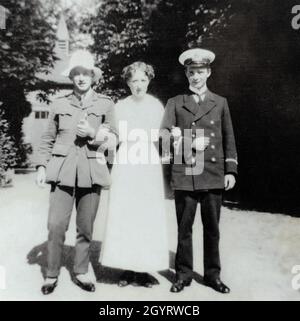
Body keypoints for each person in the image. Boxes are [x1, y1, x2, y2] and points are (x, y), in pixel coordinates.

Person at [35, 50, 118, 295]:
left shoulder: (105, 103)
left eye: (86, 73)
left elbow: (114, 140)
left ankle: (81, 271)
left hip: (92, 171)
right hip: (62, 172)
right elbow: (48, 138)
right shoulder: (59, 103)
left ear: (93, 76)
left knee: (85, 227)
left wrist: (94, 134)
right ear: (71, 77)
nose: (81, 78)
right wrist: (41, 166)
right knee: (56, 224)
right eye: (76, 73)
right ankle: (51, 275)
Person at [160, 48, 238, 293]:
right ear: (186, 73)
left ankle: (213, 275)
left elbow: (229, 138)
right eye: (191, 72)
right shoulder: (175, 102)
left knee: (212, 229)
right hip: (185, 173)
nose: (196, 76)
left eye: (200, 72)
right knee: (185, 228)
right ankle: (183, 275)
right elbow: (162, 136)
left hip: (213, 172)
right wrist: (187, 141)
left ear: (208, 72)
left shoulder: (220, 102)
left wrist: (230, 171)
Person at [100, 61, 169, 287]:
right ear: (128, 83)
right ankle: (127, 268)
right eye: (134, 80)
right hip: (126, 161)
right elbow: (114, 137)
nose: (138, 85)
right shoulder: (120, 106)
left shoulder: (157, 106)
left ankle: (144, 269)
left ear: (148, 81)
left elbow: (164, 136)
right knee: (125, 212)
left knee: (147, 214)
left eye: (142, 80)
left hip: (147, 162)